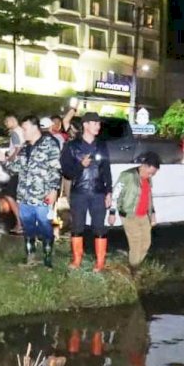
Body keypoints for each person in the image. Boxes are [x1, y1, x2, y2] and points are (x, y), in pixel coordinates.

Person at [60, 112, 113, 272]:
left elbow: (106, 170)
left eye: (99, 123)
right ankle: (77, 259)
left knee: (99, 227)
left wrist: (109, 192)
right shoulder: (71, 146)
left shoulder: (101, 145)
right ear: (85, 125)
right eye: (95, 123)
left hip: (98, 192)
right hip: (79, 192)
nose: (98, 126)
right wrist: (80, 165)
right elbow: (67, 172)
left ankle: (100, 262)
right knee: (77, 227)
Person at [7, 116, 62, 267]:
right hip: (24, 195)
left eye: (24, 129)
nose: (23, 132)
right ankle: (30, 256)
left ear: (35, 128)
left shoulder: (50, 144)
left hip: (42, 194)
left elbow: (55, 169)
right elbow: (14, 168)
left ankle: (47, 258)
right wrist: (2, 159)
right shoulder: (25, 148)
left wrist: (53, 189)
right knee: (28, 226)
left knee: (45, 226)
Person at [108, 152, 160, 272]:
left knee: (146, 242)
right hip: (129, 215)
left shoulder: (148, 178)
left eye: (153, 173)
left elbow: (149, 197)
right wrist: (112, 213)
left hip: (143, 216)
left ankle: (134, 264)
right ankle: (134, 269)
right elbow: (115, 195)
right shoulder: (127, 176)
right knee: (136, 242)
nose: (151, 175)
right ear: (144, 166)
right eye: (150, 172)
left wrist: (152, 213)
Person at [2, 114, 24, 234]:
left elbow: (17, 149)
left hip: (15, 168)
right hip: (23, 169)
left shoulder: (15, 133)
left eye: (6, 123)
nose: (6, 126)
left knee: (10, 195)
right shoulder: (22, 131)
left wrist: (8, 159)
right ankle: (20, 223)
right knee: (17, 196)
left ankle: (19, 222)